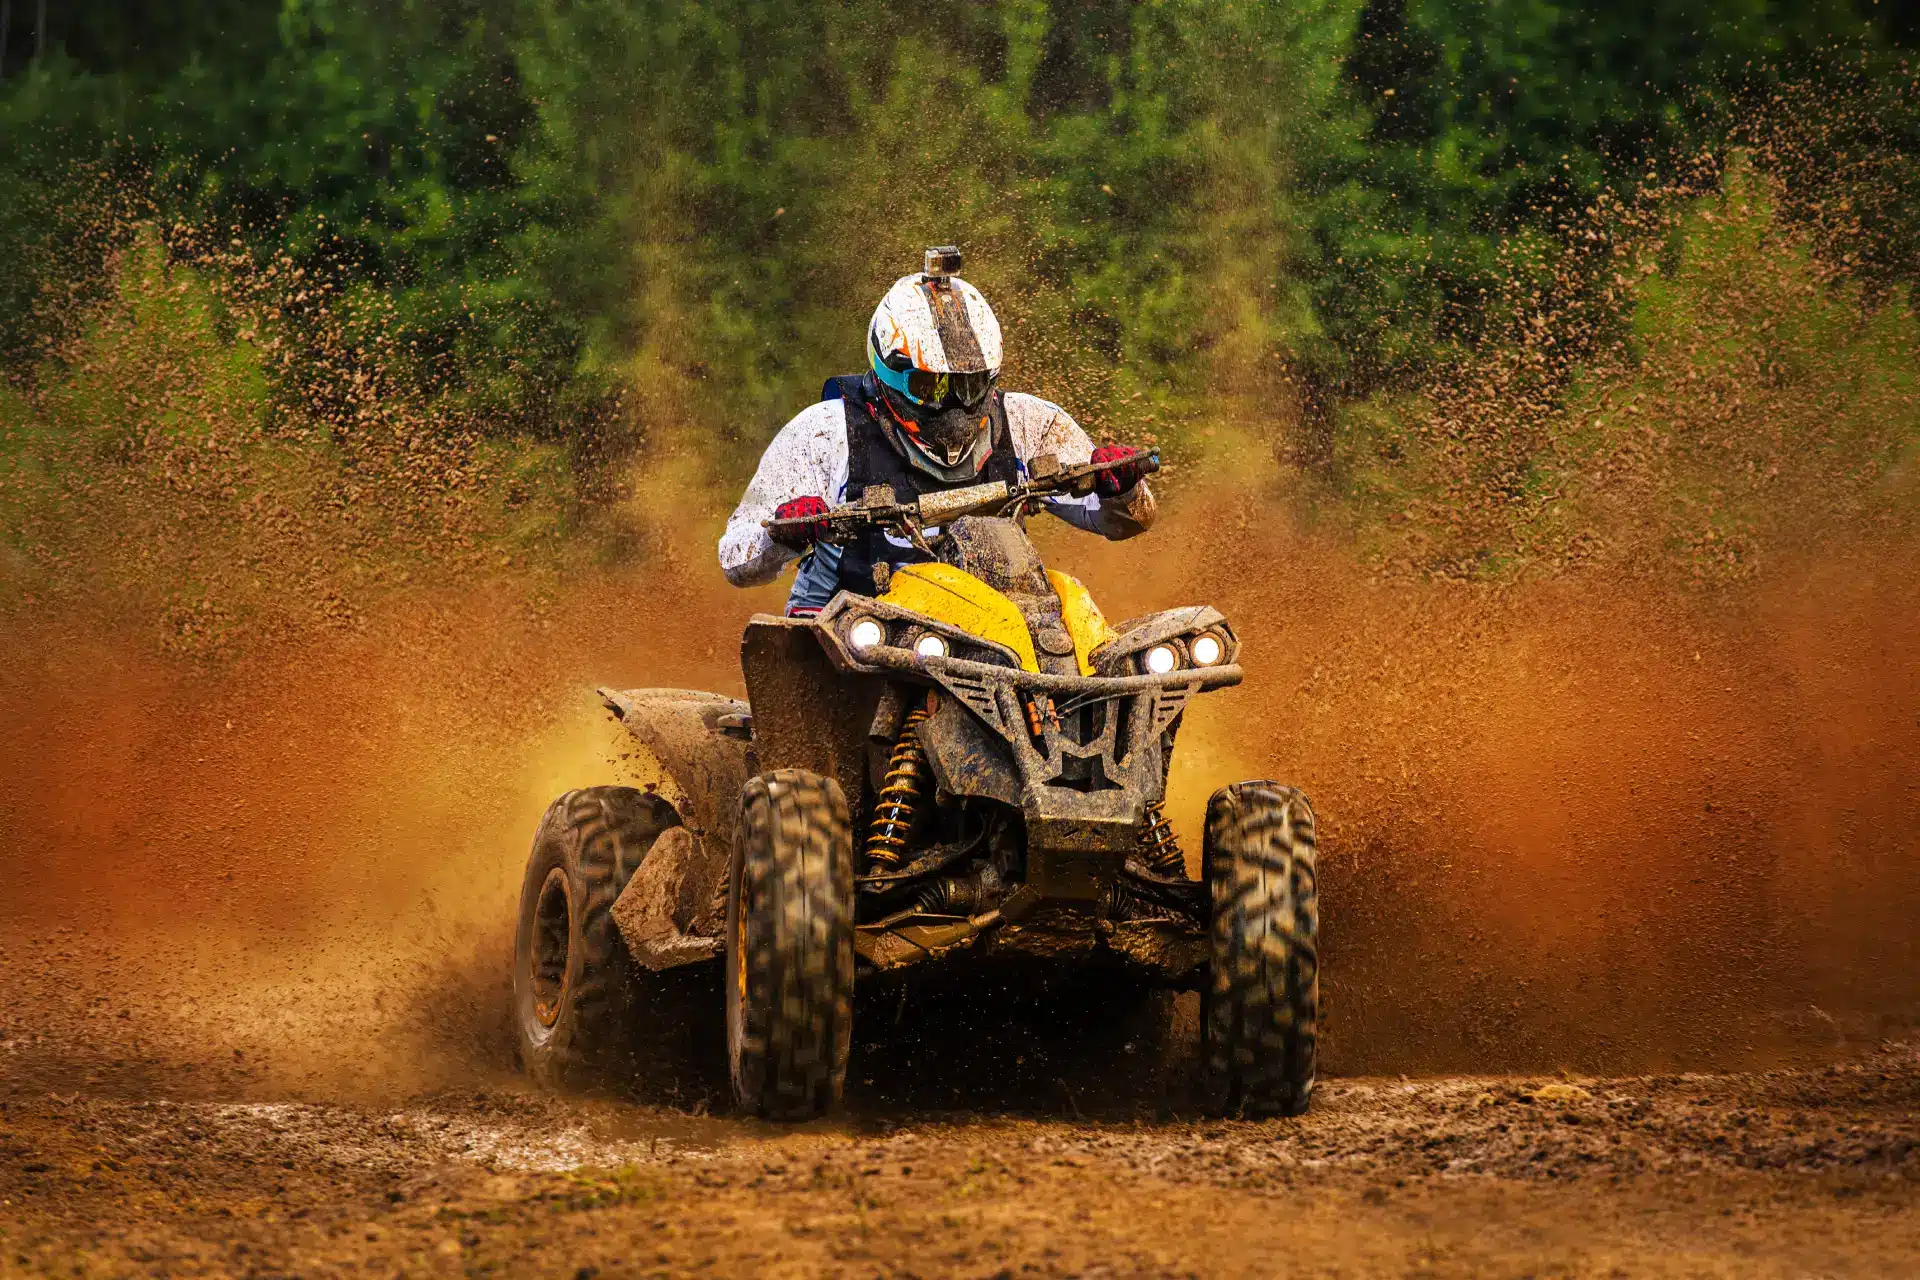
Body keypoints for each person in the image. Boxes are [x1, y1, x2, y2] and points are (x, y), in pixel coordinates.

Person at [718, 248, 1156, 615]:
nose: (954, 407)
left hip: (992, 624)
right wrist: (782, 533)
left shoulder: (1029, 422)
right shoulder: (825, 433)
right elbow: (735, 558)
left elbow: (1126, 522)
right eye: (932, 387)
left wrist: (1121, 489)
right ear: (888, 369)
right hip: (851, 632)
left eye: (970, 385)